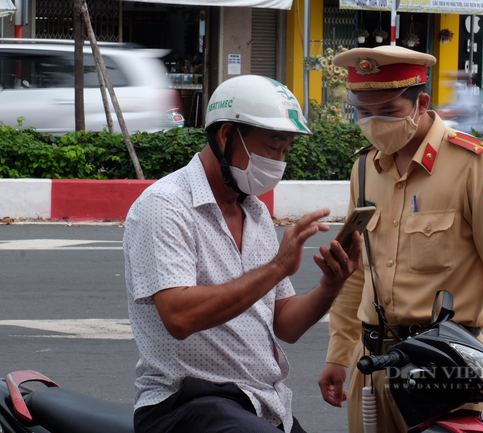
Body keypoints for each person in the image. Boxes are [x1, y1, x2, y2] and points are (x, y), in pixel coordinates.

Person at [123, 74, 362, 433]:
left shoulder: (255, 212)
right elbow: (179, 316)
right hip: (186, 403)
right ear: (225, 136)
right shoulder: (165, 205)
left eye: (285, 152)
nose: (278, 162)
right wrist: (278, 267)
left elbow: (285, 323)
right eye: (271, 147)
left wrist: (330, 286)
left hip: (261, 402)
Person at [317, 45, 483, 433]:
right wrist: (338, 353)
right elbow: (356, 272)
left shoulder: (475, 165)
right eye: (363, 113)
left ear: (421, 103)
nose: (374, 122)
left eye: (387, 111)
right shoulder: (364, 168)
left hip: (445, 368)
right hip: (371, 369)